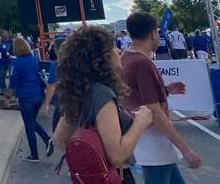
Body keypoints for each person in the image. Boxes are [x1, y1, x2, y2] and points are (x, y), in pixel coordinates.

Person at [53, 26, 153, 182]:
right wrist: (141, 121)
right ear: (100, 57)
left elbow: (59, 139)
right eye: (112, 47)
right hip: (115, 177)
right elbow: (117, 156)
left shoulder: (82, 91)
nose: (118, 51)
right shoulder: (102, 93)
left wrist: (90, 163)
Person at [121, 12, 203, 183]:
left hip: (146, 140)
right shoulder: (143, 63)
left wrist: (164, 90)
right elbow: (154, 111)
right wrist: (186, 149)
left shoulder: (126, 57)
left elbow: (136, 94)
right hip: (154, 143)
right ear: (153, 34)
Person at [7, 37, 51, 162]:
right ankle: (47, 139)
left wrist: (8, 95)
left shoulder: (17, 63)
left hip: (25, 96)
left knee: (29, 124)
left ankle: (34, 153)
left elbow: (13, 80)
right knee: (31, 120)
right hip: (38, 94)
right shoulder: (33, 60)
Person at [41, 38, 64, 132]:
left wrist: (46, 104)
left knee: (57, 129)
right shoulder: (78, 61)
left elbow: (52, 86)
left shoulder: (57, 64)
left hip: (64, 101)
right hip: (81, 100)